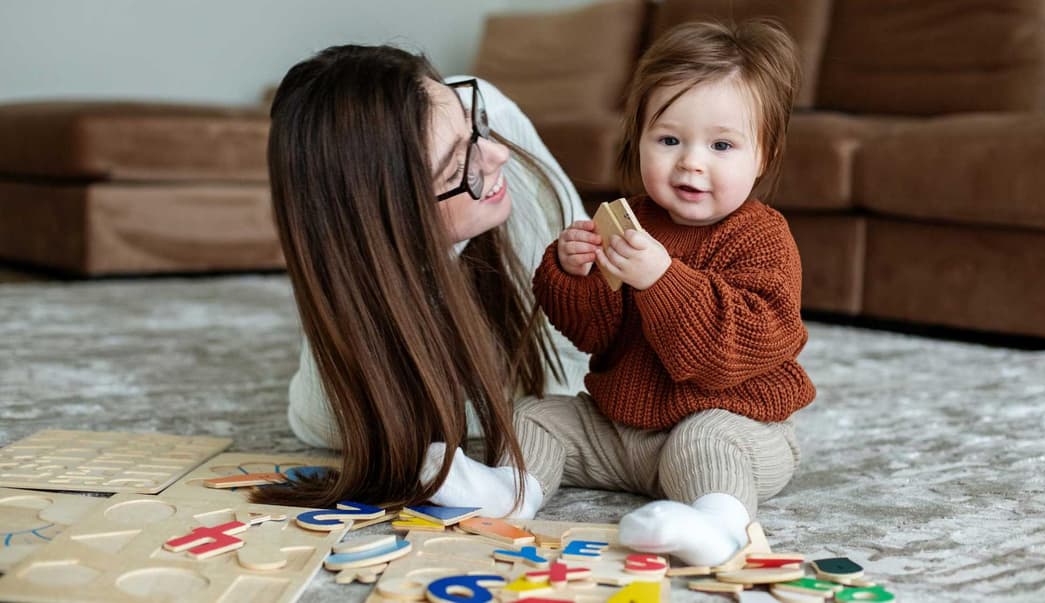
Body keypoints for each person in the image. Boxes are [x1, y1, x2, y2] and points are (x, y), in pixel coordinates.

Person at [432, 20, 817, 565]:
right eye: (669, 140)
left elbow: (727, 354)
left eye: (722, 145)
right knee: (536, 416)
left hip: (737, 426)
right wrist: (574, 273)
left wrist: (662, 280)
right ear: (638, 140)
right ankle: (510, 491)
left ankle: (719, 525)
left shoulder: (762, 238)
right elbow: (594, 334)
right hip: (623, 430)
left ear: (764, 156)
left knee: (707, 441)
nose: (691, 161)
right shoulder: (629, 221)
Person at [255, 44, 588, 512]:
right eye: (456, 168)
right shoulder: (335, 398)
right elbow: (323, 424)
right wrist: (430, 253)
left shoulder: (482, 111)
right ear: (389, 223)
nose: (497, 155)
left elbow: (590, 350)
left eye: (474, 124)